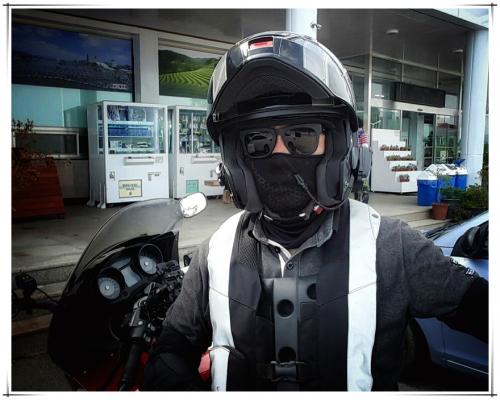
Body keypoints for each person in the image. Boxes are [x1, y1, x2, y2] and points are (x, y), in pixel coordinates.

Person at [143, 31, 487, 391]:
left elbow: (482, 310)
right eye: (257, 141)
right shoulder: (216, 251)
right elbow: (174, 344)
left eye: (301, 136)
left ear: (340, 148)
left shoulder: (390, 246)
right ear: (235, 162)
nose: (279, 154)